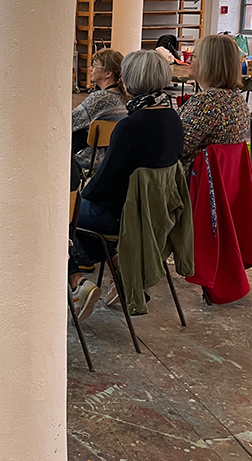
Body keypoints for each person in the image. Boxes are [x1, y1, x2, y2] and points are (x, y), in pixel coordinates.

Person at [74, 49, 184, 307]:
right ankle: (120, 272)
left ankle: (77, 280)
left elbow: (104, 184)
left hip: (125, 215)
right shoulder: (172, 117)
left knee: (65, 214)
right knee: (83, 217)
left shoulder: (132, 126)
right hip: (158, 214)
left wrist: (83, 193)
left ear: (130, 80)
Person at [179, 34, 249, 180]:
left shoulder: (206, 102)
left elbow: (177, 147)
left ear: (209, 63)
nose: (188, 60)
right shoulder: (237, 99)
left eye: (194, 56)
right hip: (223, 182)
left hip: (195, 182)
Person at [71, 48, 128, 169]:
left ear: (108, 73)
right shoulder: (125, 97)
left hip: (89, 158)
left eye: (95, 65)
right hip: (112, 157)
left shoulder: (101, 98)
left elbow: (69, 123)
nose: (90, 69)